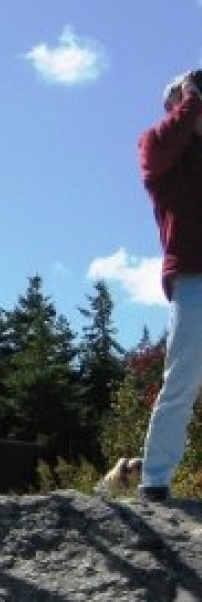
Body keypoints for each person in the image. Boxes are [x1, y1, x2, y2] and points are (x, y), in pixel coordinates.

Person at [136, 70, 202, 503]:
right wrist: (191, 95)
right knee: (183, 377)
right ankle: (155, 480)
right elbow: (162, 147)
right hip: (194, 274)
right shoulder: (157, 145)